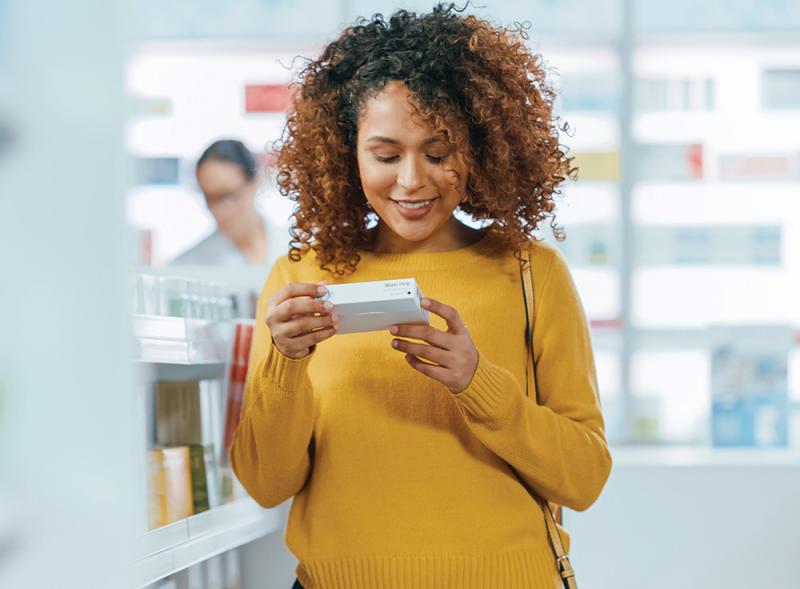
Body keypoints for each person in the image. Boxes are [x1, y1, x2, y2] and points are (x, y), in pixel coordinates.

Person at [231, 5, 612, 588]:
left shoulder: (531, 272)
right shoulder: (301, 276)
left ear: (479, 149)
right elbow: (265, 482)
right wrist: (286, 364)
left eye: (438, 154)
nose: (411, 180)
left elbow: (583, 479)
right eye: (386, 156)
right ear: (346, 153)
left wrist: (476, 380)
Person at [170, 139, 286, 266]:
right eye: (210, 198)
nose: (220, 211)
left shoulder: (298, 250)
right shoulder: (186, 266)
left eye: (229, 197)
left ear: (254, 184)